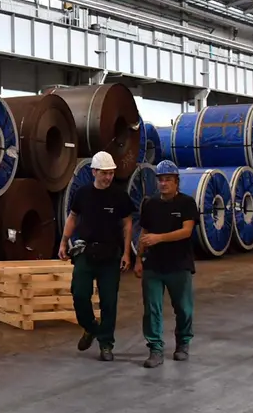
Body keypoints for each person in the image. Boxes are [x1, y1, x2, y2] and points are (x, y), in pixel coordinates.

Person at [59, 151, 134, 362]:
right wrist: (64, 242)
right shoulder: (82, 194)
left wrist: (127, 253)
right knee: (79, 294)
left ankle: (106, 345)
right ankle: (91, 327)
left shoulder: (119, 195)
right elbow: (73, 217)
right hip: (85, 252)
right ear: (94, 172)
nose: (108, 177)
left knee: (109, 302)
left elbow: (127, 223)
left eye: (111, 173)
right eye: (104, 173)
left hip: (111, 255)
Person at [136, 159, 198, 368]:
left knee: (183, 308)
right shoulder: (150, 204)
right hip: (153, 265)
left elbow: (186, 231)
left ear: (176, 182)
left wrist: (159, 238)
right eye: (161, 180)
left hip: (179, 265)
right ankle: (155, 349)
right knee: (152, 309)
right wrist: (138, 258)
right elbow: (144, 233)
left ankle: (183, 343)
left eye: (168, 180)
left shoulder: (187, 203)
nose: (164, 184)